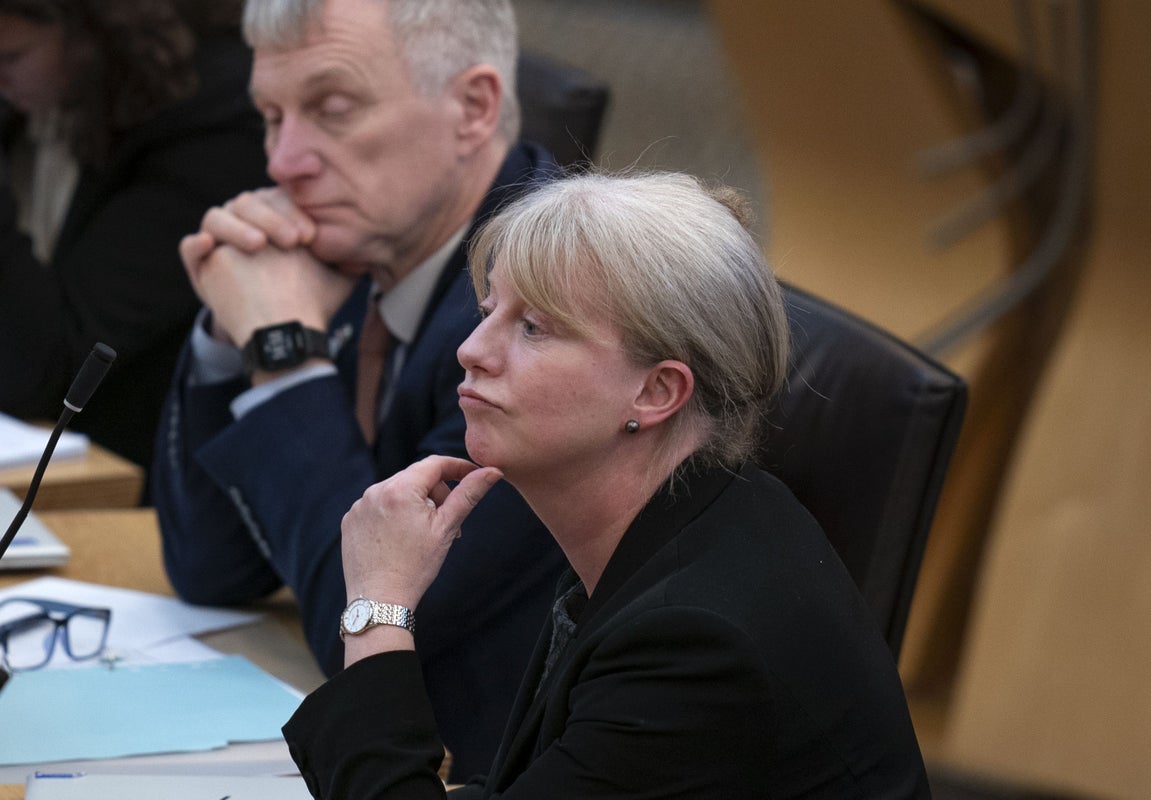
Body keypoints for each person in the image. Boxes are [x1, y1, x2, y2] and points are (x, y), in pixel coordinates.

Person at [283, 171, 933, 798]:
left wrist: (377, 609)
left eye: (533, 327)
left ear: (656, 391)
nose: (472, 349)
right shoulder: (668, 532)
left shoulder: (697, 645)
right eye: (488, 311)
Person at [151, 0, 564, 780]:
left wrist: (281, 353)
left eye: (333, 109)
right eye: (272, 117)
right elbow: (211, 570)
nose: (284, 162)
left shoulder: (549, 316)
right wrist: (228, 336)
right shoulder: (368, 243)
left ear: (473, 108)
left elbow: (369, 631)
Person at [0, 0, 267, 474]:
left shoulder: (204, 127)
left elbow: (53, 368)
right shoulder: (29, 105)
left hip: (136, 467)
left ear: (86, 36)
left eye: (10, 58)